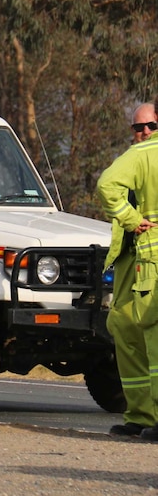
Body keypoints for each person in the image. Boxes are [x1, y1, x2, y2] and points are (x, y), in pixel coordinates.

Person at [100, 102, 158, 437]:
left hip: (150, 258)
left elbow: (107, 185)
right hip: (131, 260)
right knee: (122, 323)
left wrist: (132, 219)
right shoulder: (136, 157)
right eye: (137, 128)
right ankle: (140, 415)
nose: (144, 133)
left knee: (151, 332)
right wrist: (130, 220)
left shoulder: (143, 155)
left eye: (149, 126)